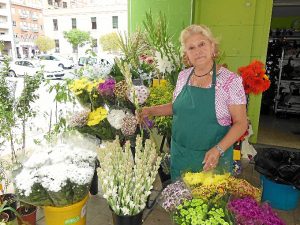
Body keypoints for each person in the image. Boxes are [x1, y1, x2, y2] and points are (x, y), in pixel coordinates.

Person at [140, 24, 248, 180]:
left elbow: (241, 123)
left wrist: (218, 149)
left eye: (202, 44)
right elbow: (176, 107)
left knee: (208, 202)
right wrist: (150, 111)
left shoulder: (230, 81)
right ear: (186, 55)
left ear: (212, 46)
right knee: (180, 200)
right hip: (181, 155)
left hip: (211, 159)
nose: (197, 51)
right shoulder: (183, 76)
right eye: (191, 48)